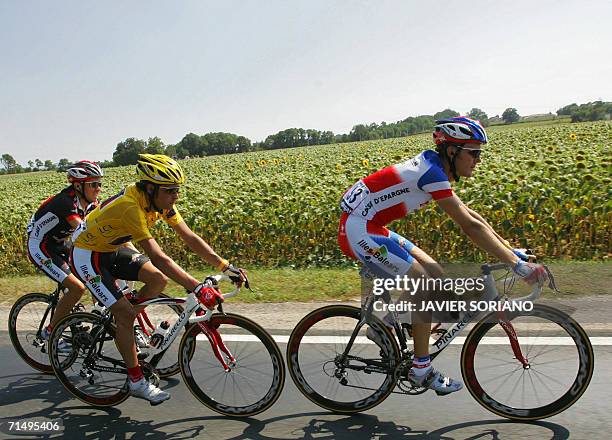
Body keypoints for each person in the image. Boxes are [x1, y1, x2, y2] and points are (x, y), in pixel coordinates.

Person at [337, 117, 546, 395]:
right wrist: (517, 266)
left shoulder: (435, 168)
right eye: (473, 152)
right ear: (452, 151)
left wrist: (510, 250)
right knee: (422, 284)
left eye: (479, 152)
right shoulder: (432, 173)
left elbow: (472, 216)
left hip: (370, 225)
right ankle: (420, 369)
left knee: (435, 273)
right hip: (358, 230)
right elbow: (469, 227)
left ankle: (386, 327)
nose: (478, 159)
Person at [70, 154, 248, 405]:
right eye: (171, 190)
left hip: (111, 247)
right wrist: (197, 287)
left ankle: (126, 321)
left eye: (178, 189)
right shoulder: (131, 207)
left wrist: (226, 266)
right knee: (126, 313)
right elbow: (158, 256)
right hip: (87, 254)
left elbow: (189, 237)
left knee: (157, 281)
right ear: (150, 188)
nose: (176, 195)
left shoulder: (159, 201)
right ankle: (135, 381)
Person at [27, 161, 103, 341]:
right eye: (94, 184)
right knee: (77, 288)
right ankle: (49, 333)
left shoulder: (90, 203)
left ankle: (93, 319)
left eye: (100, 183)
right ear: (78, 185)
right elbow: (85, 231)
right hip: (41, 246)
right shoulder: (65, 202)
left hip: (61, 244)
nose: (98, 188)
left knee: (95, 275)